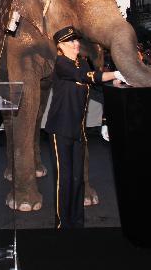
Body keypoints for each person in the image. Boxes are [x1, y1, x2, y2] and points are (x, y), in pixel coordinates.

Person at [43, 26, 123, 229]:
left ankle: (78, 223)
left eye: (77, 40)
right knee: (65, 179)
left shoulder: (82, 62)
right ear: (60, 46)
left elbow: (98, 86)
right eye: (71, 42)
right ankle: (62, 225)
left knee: (78, 177)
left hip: (78, 130)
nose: (76, 44)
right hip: (60, 129)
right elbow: (88, 77)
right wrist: (116, 73)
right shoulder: (61, 63)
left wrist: (106, 119)